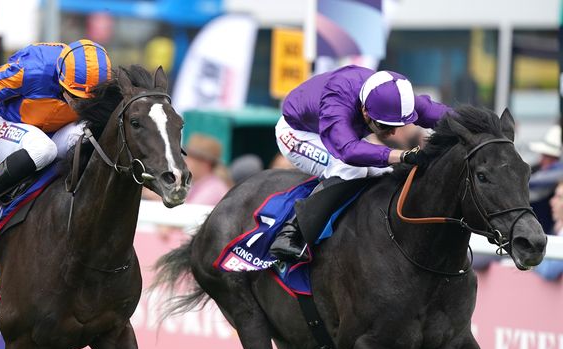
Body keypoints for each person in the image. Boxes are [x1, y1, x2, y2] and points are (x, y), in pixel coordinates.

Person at [269, 66, 451, 261]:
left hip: (334, 132)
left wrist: (481, 127)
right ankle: (291, 233)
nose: (392, 134)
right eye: (384, 125)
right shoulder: (337, 98)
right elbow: (347, 150)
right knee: (350, 169)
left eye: (397, 126)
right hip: (296, 132)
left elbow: (444, 115)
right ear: (364, 110)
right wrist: (402, 155)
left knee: (385, 172)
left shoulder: (395, 96)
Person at [0, 39, 112, 232]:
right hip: (11, 127)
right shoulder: (32, 70)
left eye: (88, 100)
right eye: (75, 97)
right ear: (61, 79)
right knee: (44, 149)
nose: (80, 106)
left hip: (57, 131)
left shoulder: (102, 83)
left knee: (90, 135)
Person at [183, 133, 230, 205]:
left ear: (205, 163)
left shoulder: (213, 189)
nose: (185, 161)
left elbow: (187, 213)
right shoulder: (200, 185)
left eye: (191, 157)